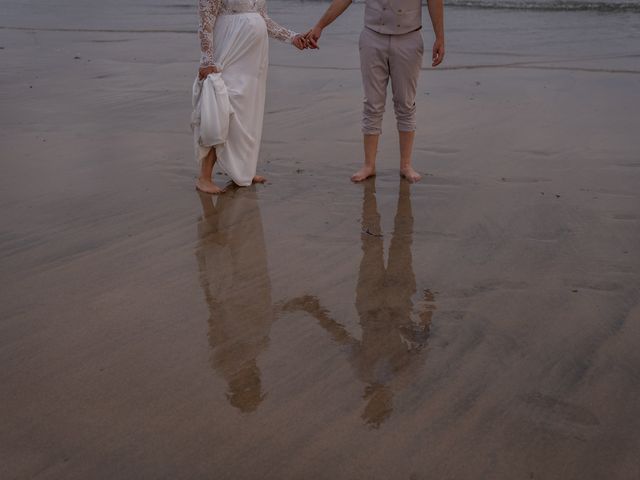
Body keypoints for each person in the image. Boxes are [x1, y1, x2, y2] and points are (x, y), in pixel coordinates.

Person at [304, 0, 445, 182]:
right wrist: (319, 26)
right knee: (372, 103)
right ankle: (369, 165)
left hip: (409, 38)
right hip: (372, 37)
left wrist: (440, 37)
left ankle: (406, 165)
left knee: (405, 103)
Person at [195, 0, 308, 194]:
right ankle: (204, 177)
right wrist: (207, 59)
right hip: (229, 48)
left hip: (253, 57)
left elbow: (262, 18)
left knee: (247, 111)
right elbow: (206, 19)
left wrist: (292, 37)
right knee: (222, 106)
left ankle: (243, 170)